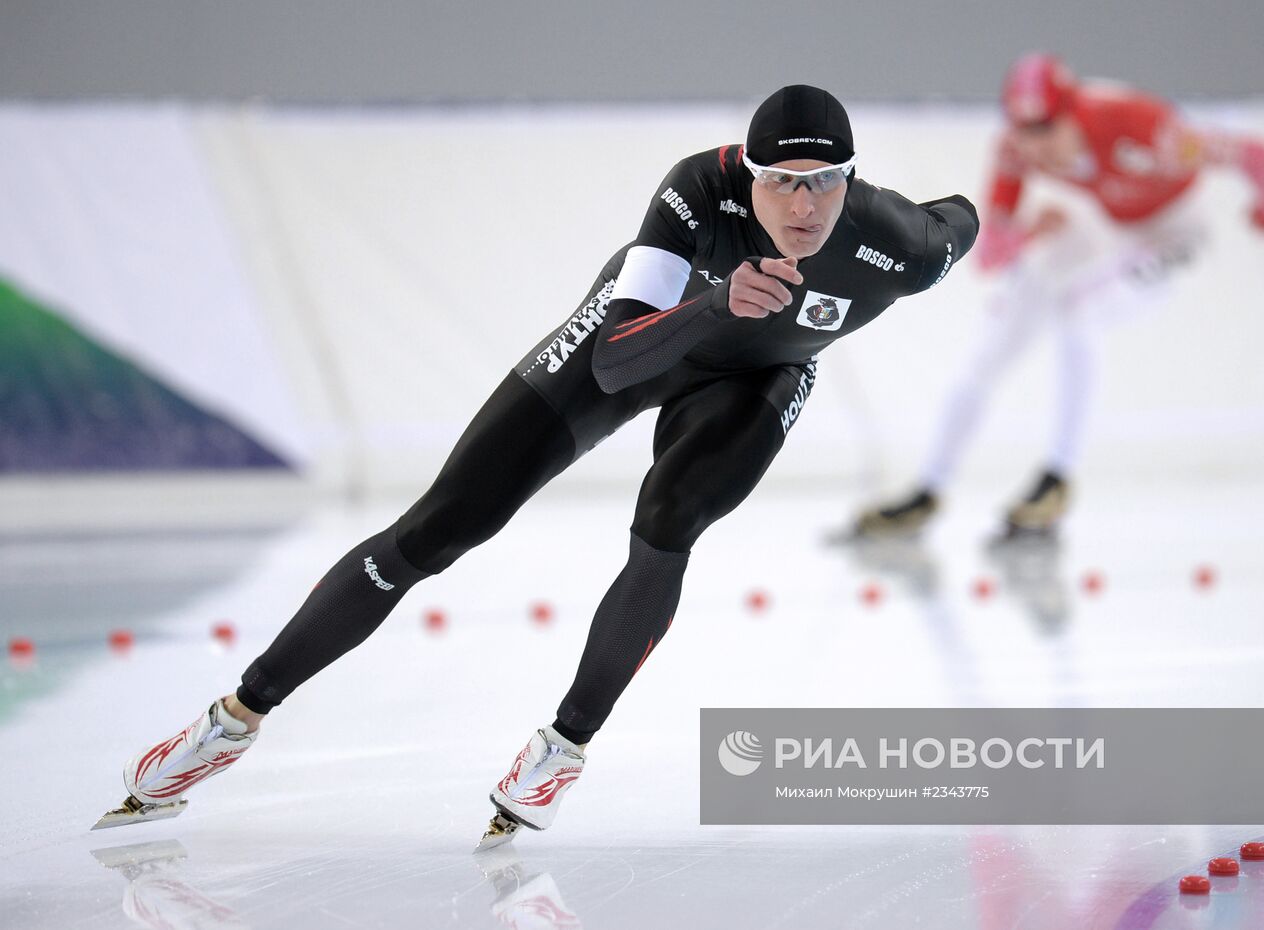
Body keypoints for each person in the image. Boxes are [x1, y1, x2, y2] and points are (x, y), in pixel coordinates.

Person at [97, 85, 979, 845]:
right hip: (642, 334)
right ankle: (234, 720)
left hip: (761, 375)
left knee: (671, 517)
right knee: (439, 528)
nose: (805, 204)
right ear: (747, 173)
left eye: (825, 181)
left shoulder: (893, 242)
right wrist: (715, 304)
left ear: (851, 179)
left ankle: (562, 749)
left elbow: (959, 223)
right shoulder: (696, 192)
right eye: (782, 181)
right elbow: (615, 361)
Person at [848, 53, 1264, 541]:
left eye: (1047, 129)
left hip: (1176, 228)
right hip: (1104, 223)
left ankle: (1058, 478)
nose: (1037, 147)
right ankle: (927, 489)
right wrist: (1026, 233)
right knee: (997, 340)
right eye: (1023, 131)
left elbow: (1255, 155)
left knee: (1080, 311)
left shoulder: (1145, 129)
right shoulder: (1017, 147)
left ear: (1074, 112)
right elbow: (989, 256)